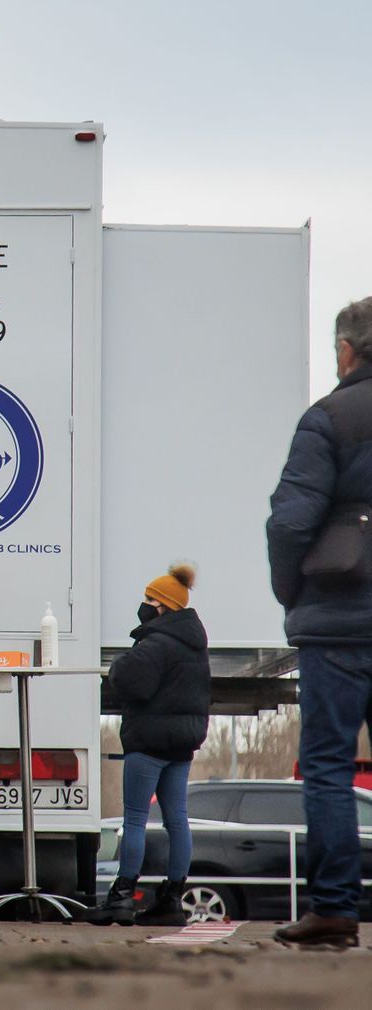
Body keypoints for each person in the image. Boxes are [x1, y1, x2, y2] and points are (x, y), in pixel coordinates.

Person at [268, 295, 372, 949]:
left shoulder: (328, 418)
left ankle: (334, 910)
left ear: (345, 351)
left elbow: (290, 521)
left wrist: (292, 594)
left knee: (330, 766)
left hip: (338, 622)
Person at [82, 564, 209, 927]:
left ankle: (121, 898)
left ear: (164, 606)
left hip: (149, 742)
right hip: (182, 744)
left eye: (149, 599)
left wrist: (117, 667)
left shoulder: (156, 643)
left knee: (135, 818)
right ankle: (171, 900)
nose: (144, 605)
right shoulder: (195, 644)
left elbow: (128, 680)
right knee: (177, 820)